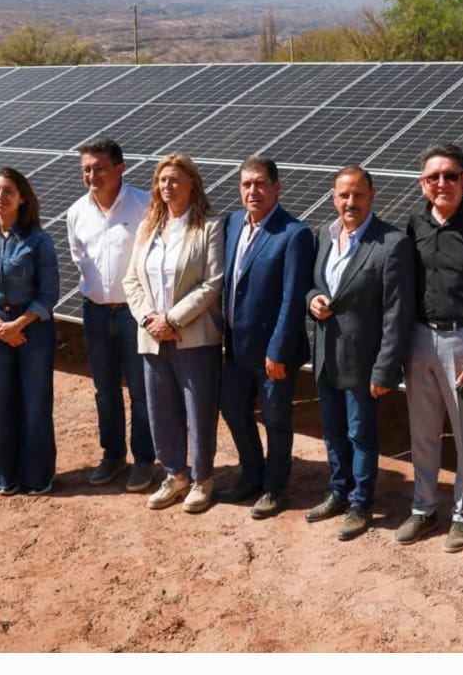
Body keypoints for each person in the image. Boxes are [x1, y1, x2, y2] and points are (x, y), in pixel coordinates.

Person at [396, 142, 463, 551]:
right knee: (421, 431)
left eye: (451, 175)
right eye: (434, 177)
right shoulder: (414, 224)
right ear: (423, 184)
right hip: (419, 338)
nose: (443, 183)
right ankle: (423, 508)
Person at [305, 166, 414, 540]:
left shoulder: (391, 243)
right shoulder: (324, 234)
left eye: (358, 195)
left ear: (372, 196)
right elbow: (315, 284)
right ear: (334, 197)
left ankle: (360, 503)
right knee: (332, 432)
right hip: (325, 356)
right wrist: (312, 300)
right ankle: (338, 491)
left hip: (363, 362)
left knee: (360, 434)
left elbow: (396, 314)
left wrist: (385, 369)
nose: (350, 202)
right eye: (343, 195)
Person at [123, 152, 225, 515]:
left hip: (194, 336)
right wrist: (149, 319)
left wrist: (173, 319)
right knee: (160, 409)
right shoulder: (148, 226)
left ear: (192, 184)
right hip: (152, 336)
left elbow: (212, 282)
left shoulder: (209, 227)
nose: (167, 186)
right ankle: (174, 474)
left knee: (198, 410)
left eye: (175, 180)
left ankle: (202, 479)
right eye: (162, 180)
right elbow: (131, 280)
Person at [219, 156, 314, 519]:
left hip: (272, 352)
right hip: (235, 348)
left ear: (277, 187)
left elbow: (292, 300)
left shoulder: (293, 233)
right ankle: (250, 474)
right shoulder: (231, 225)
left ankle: (275, 487)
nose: (252, 191)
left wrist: (276, 350)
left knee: (275, 419)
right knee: (233, 410)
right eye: (246, 184)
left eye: (260, 184)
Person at [66, 136, 155, 492]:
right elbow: (78, 259)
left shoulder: (144, 206)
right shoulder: (76, 213)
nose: (92, 175)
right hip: (96, 313)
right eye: (86, 169)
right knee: (104, 389)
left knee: (140, 390)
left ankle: (145, 460)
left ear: (120, 168)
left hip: (134, 313)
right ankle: (113, 456)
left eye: (99, 168)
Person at [0, 167, 60, 496]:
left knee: (35, 405)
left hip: (34, 330)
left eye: (7, 191)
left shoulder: (38, 240)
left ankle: (38, 476)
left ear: (22, 198)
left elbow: (49, 293)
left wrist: (19, 324)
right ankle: (7, 475)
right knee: (1, 403)